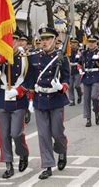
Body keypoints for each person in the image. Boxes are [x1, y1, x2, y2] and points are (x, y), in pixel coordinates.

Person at [29, 26, 70, 180]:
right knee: (43, 134)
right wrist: (30, 99)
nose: (44, 42)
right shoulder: (34, 58)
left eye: (47, 39)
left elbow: (67, 78)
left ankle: (62, 149)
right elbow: (31, 79)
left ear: (54, 40)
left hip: (56, 99)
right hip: (40, 99)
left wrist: (61, 86)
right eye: (42, 39)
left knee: (57, 132)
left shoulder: (61, 58)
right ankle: (47, 165)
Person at [0, 31, 32, 179]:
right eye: (8, 40)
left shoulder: (25, 59)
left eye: (14, 40)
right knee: (4, 135)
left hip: (18, 99)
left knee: (16, 133)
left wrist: (19, 91)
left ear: (17, 42)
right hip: (3, 98)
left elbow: (30, 78)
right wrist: (1, 60)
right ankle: (8, 164)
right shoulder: (0, 58)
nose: (11, 43)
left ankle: (23, 153)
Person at [79, 35, 99, 127]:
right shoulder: (84, 53)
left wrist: (98, 57)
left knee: (94, 96)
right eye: (90, 42)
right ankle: (88, 119)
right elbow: (79, 63)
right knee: (86, 99)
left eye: (93, 42)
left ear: (96, 43)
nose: (91, 44)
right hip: (86, 76)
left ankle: (96, 112)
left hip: (95, 76)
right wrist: (80, 69)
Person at [68, 37, 83, 106]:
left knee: (77, 86)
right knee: (70, 86)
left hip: (77, 70)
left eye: (75, 43)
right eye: (72, 43)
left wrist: (80, 56)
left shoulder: (80, 51)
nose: (73, 44)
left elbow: (82, 61)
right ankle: (72, 100)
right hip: (70, 70)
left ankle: (79, 94)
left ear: (77, 44)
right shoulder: (68, 51)